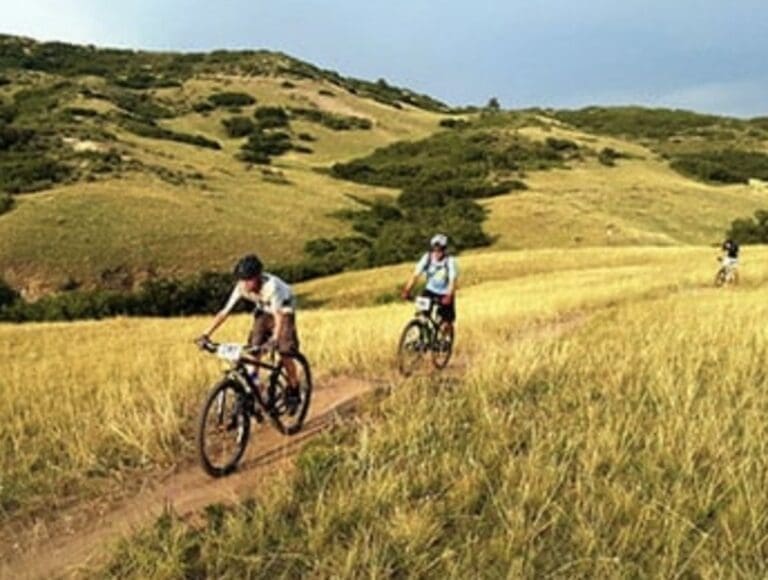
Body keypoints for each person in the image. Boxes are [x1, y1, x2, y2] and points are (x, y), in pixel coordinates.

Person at [197, 254, 301, 411]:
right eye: (241, 279)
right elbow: (224, 312)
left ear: (258, 277)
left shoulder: (271, 286)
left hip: (284, 308)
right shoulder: (241, 287)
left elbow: (278, 317)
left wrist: (274, 339)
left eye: (248, 279)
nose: (244, 284)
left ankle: (294, 388)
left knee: (285, 350)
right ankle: (255, 390)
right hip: (263, 309)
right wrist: (206, 334)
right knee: (254, 348)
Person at [401, 234, 458, 332]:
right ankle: (422, 336)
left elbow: (453, 280)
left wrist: (449, 296)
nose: (437, 252)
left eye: (440, 250)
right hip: (430, 290)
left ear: (444, 250)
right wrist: (407, 290)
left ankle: (445, 339)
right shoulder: (427, 258)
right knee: (422, 315)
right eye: (435, 249)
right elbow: (415, 275)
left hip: (445, 293)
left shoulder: (450, 261)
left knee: (446, 323)